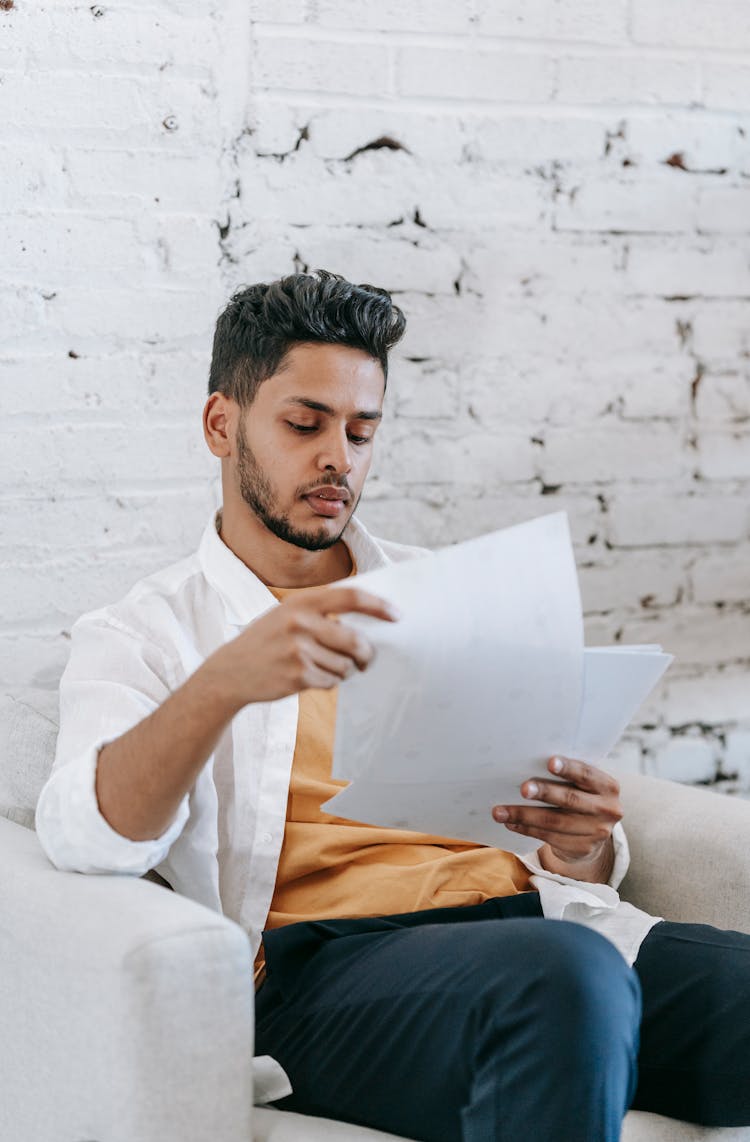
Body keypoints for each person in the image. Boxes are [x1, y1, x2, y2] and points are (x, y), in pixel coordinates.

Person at [36, 271, 750, 1142]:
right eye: (305, 425)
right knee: (563, 979)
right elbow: (85, 836)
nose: (338, 456)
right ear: (222, 425)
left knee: (608, 971)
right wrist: (224, 680)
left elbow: (542, 827)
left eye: (361, 430)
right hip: (326, 975)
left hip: (537, 925)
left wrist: (583, 844)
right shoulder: (148, 631)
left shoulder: (447, 594)